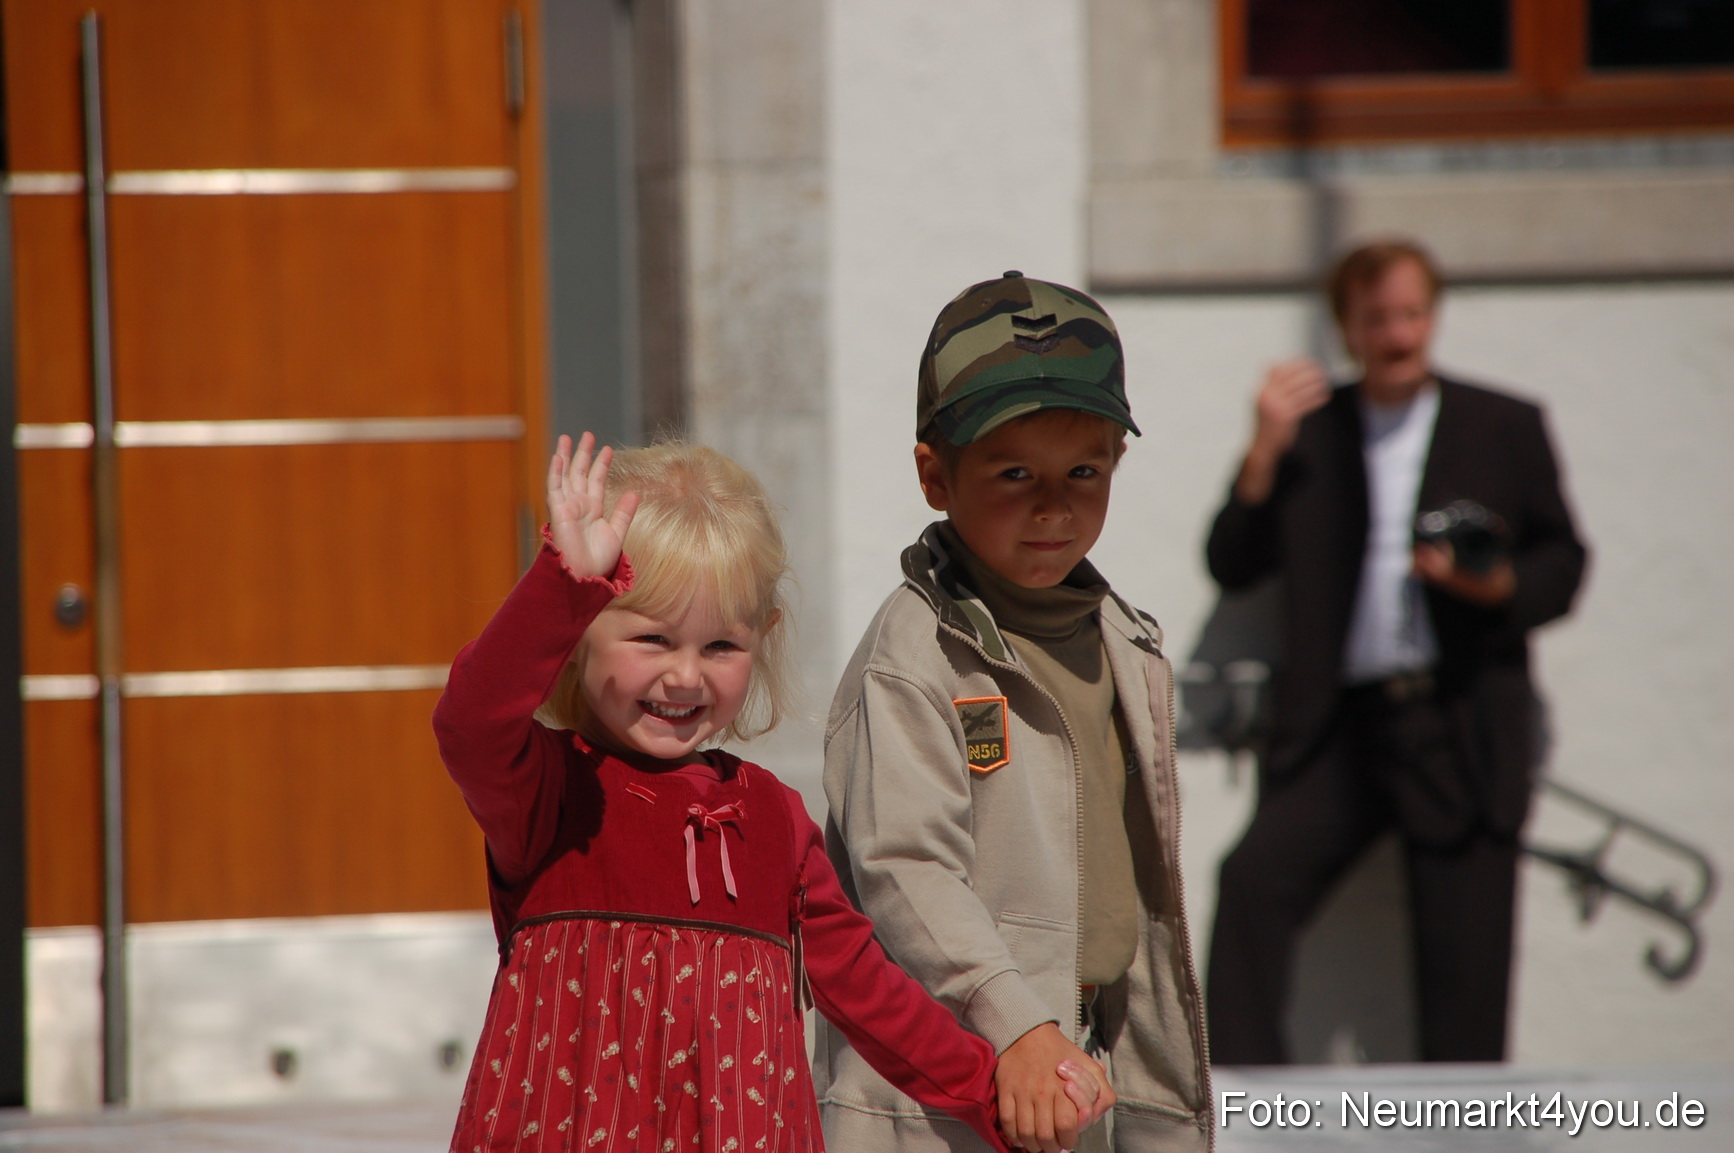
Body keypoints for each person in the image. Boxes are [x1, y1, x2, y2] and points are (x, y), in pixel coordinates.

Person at [434, 433, 1101, 1152]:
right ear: (582, 632)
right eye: (653, 640)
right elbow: (470, 719)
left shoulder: (773, 818)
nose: (687, 676)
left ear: (763, 638)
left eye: (721, 646)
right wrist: (561, 585)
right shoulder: (549, 791)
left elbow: (869, 992)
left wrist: (993, 1091)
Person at [816, 272, 1213, 1153]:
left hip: (1083, 1066)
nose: (1052, 504)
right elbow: (905, 871)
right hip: (949, 1090)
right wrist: (1014, 1025)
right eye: (1012, 472)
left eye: (1083, 470)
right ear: (935, 475)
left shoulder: (1122, 640)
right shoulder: (915, 658)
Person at [1204, 238, 1589, 1064]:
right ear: (1347, 326)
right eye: (1378, 318)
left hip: (1460, 721)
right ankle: (1238, 1111)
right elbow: (1232, 561)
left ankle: (1466, 1135)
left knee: (1467, 965)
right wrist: (1264, 448)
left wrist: (1495, 588)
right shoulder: (1312, 431)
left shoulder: (1502, 423)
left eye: (1413, 313)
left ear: (1433, 315)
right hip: (1342, 730)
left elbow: (1564, 565)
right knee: (1251, 885)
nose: (1400, 334)